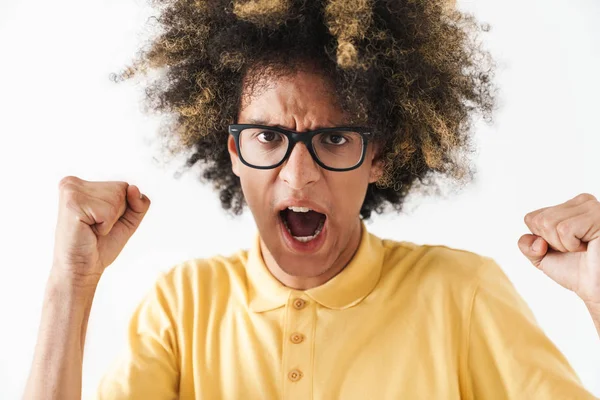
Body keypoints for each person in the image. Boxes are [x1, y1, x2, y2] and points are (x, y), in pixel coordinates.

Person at [24, 0, 600, 398]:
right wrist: (69, 285)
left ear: (380, 156)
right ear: (231, 151)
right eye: (269, 137)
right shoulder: (182, 306)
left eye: (334, 138)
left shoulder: (462, 293)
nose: (299, 178)